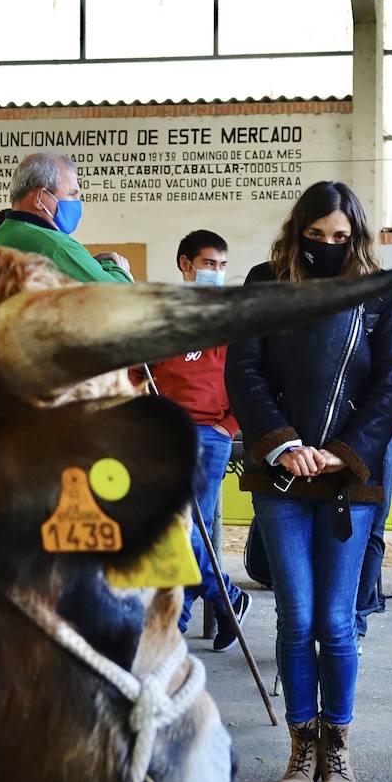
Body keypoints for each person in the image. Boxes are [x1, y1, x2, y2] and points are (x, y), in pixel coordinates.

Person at [226, 182, 392, 782]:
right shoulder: (262, 282)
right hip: (282, 477)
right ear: (297, 230)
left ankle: (338, 747)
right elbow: (243, 370)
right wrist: (282, 442)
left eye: (340, 238)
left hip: (347, 481)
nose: (328, 247)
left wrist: (343, 452)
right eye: (316, 236)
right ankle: (301, 744)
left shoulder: (379, 292)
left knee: (336, 621)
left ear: (356, 236)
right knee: (296, 617)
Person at [143, 230, 251, 652]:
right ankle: (225, 600)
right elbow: (140, 372)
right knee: (178, 530)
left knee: (189, 530)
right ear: (185, 264)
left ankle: (175, 624)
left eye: (222, 266)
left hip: (210, 434)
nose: (216, 273)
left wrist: (229, 423)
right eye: (208, 264)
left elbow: (248, 378)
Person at [354, 294, 392, 646]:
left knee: (372, 526)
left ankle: (357, 619)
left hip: (385, 426)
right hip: (326, 428)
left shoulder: (391, 303)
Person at [0, 153, 131, 283]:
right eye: (72, 194)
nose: (78, 201)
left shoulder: (1, 236)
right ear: (40, 198)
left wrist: (90, 265)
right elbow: (123, 297)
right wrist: (114, 267)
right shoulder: (54, 247)